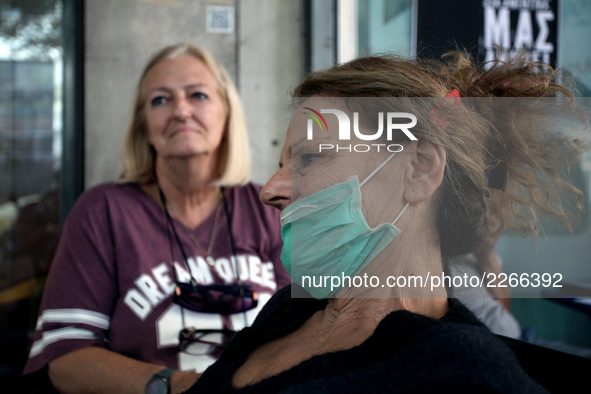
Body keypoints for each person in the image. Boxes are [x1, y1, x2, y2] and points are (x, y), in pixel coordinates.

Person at [184, 51, 587, 393]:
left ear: (419, 171)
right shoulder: (290, 308)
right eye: (283, 164)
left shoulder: (465, 373)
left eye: (310, 158)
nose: (270, 189)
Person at [23, 44, 290, 393]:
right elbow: (64, 355)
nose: (181, 111)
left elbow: (306, 329)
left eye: (197, 95)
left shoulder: (269, 205)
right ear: (144, 127)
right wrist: (180, 387)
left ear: (226, 115)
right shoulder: (103, 211)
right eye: (160, 100)